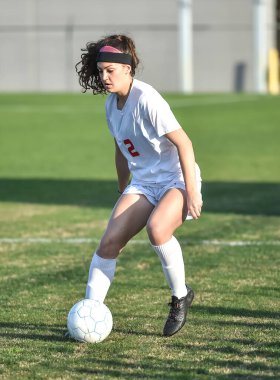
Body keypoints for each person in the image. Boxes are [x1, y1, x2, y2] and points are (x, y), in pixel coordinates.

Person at [75, 34, 203, 337]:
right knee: (108, 242)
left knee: (158, 229)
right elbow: (121, 147)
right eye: (101, 71)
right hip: (144, 183)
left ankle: (180, 296)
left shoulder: (147, 99)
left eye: (111, 70)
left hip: (176, 179)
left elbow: (184, 144)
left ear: (128, 69)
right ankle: (91, 309)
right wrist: (123, 188)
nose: (105, 77)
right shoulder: (111, 105)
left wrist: (193, 191)